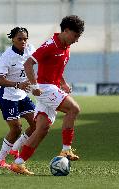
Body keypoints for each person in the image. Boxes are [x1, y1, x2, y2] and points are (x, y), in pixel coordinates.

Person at [10, 15, 85, 175]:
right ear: (66, 30)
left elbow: (56, 69)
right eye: (76, 35)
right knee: (74, 109)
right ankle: (66, 150)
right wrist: (35, 85)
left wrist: (63, 83)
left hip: (52, 87)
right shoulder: (50, 45)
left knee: (42, 129)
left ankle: (18, 163)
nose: (77, 40)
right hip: (44, 88)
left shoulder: (66, 48)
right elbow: (28, 63)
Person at [0, 27, 36, 168]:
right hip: (7, 96)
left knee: (37, 124)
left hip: (22, 95)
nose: (23, 41)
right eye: (20, 39)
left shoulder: (30, 49)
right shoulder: (6, 56)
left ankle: (15, 148)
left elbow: (38, 62)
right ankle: (0, 161)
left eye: (25, 38)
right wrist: (18, 84)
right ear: (12, 39)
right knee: (16, 129)